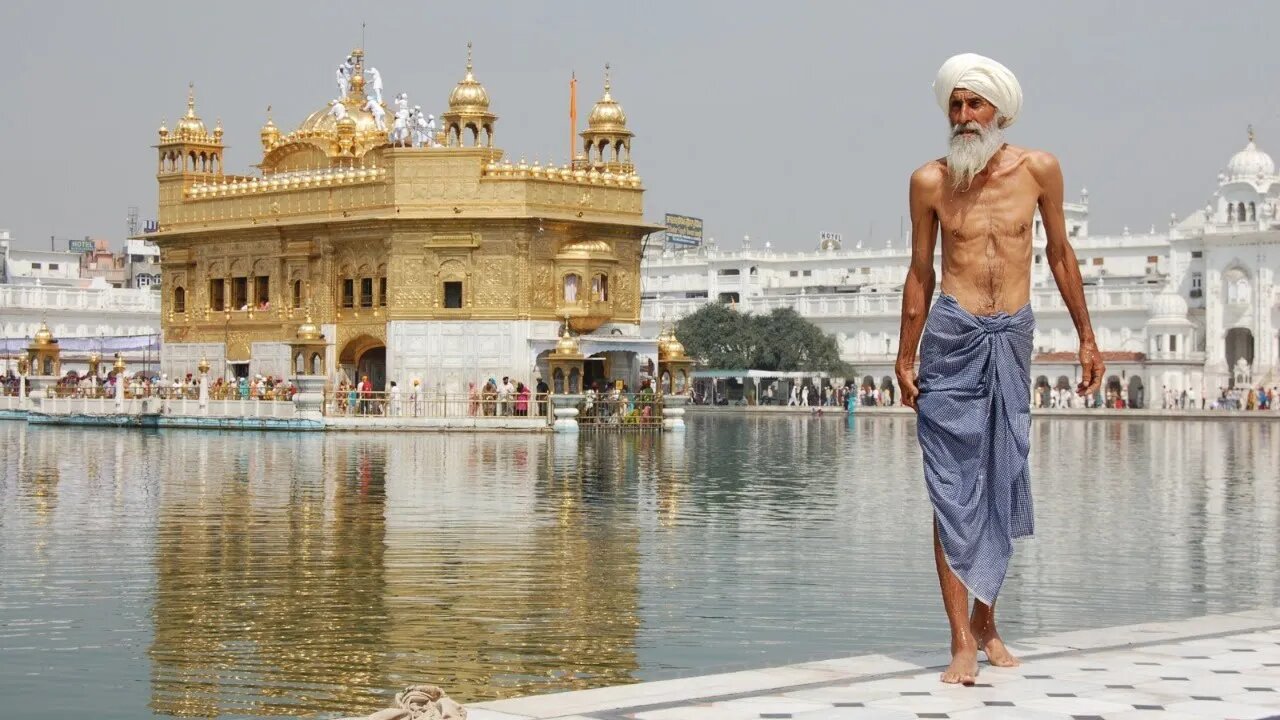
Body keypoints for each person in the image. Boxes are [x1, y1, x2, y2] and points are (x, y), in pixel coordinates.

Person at [895, 53, 1104, 685]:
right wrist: (903, 354)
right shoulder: (929, 182)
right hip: (952, 339)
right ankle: (961, 639)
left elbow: (1062, 255)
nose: (963, 116)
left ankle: (988, 622)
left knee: (1002, 478)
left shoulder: (1038, 171)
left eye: (974, 104)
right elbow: (921, 272)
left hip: (1012, 336)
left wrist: (1088, 339)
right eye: (955, 105)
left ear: (999, 111)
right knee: (952, 489)